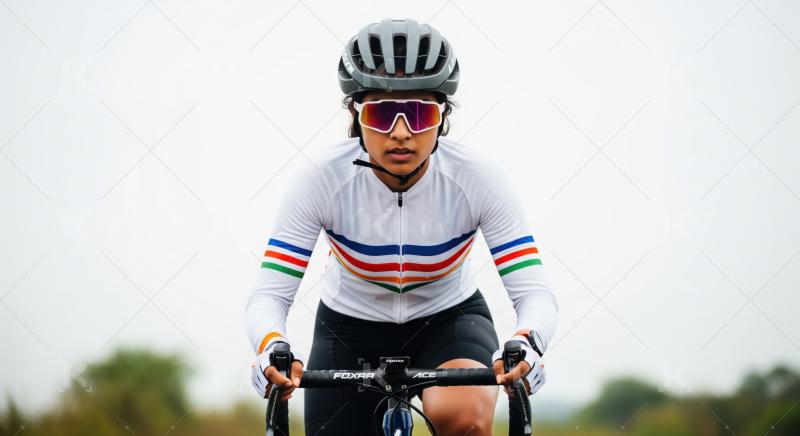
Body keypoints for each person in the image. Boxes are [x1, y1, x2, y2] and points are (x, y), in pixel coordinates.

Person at [247, 18, 558, 435]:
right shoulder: (319, 180)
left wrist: (528, 341)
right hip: (348, 330)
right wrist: (271, 346)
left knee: (463, 421)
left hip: (448, 322)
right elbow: (269, 295)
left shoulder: (478, 179)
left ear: (442, 117)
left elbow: (534, 293)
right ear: (355, 115)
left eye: (418, 113)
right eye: (381, 113)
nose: (400, 133)